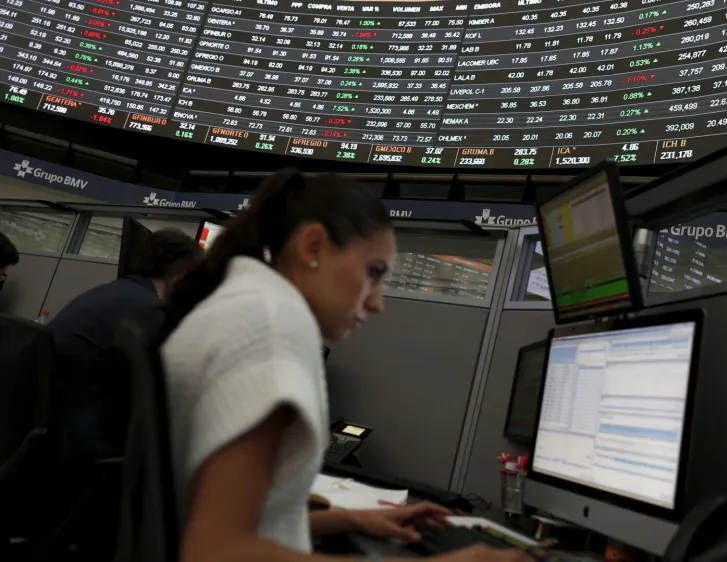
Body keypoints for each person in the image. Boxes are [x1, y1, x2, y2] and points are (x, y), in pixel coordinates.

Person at [161, 169, 529, 562]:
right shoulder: (270, 328)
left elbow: (240, 519)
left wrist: (352, 519)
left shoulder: (245, 306)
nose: (377, 302)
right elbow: (215, 551)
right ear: (313, 246)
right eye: (374, 273)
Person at [49, 227, 202, 464]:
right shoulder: (149, 311)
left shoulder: (113, 293)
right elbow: (165, 390)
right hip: (89, 452)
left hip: (56, 431)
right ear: (180, 275)